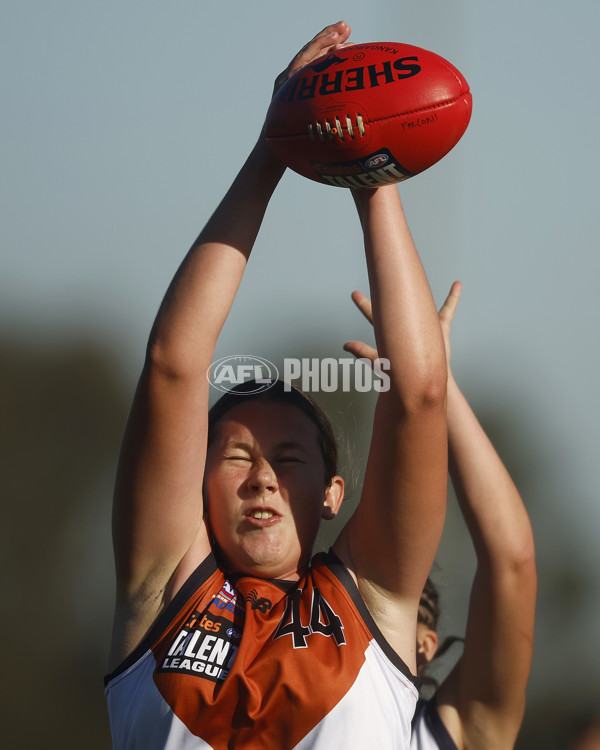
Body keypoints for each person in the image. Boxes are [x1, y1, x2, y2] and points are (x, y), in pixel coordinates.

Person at [104, 21, 449, 749]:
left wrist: (370, 170)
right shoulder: (162, 586)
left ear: (333, 491)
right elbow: (173, 361)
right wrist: (275, 143)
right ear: (192, 487)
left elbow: (417, 392)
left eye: (288, 459)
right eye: (234, 457)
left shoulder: (376, 603)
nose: (261, 478)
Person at [344, 282, 537, 749]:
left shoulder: (453, 732)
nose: (359, 631)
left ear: (425, 648)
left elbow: (511, 560)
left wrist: (438, 382)